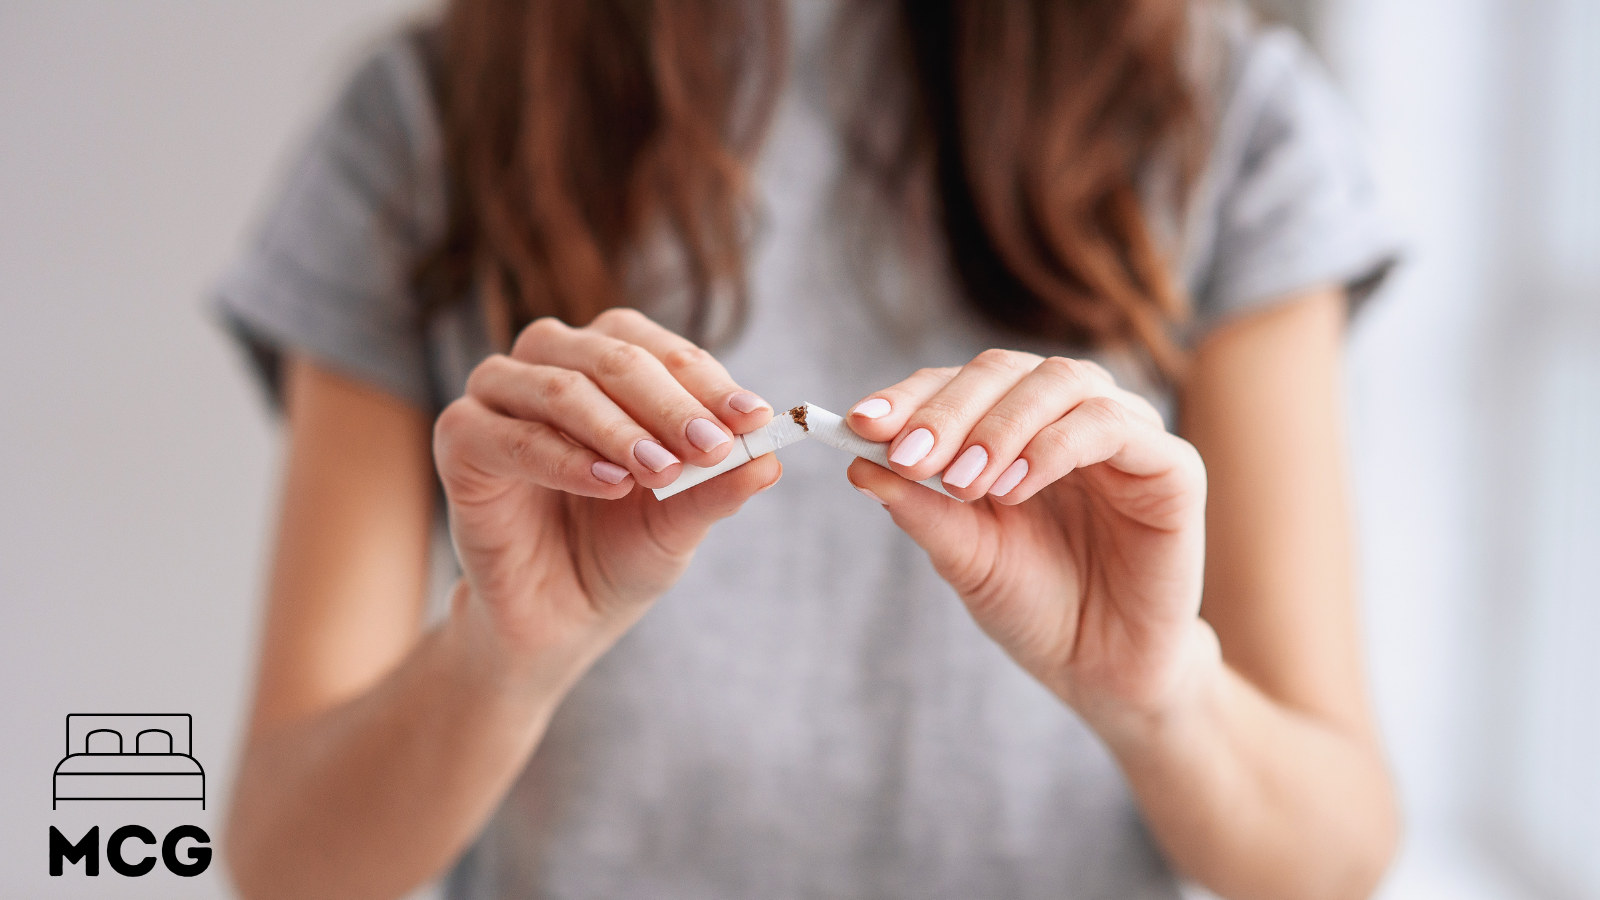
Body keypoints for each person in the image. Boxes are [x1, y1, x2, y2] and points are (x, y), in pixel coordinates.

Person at [213, 0, 1401, 897]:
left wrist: (1157, 696)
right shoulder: (431, 115)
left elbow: (1332, 848)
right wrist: (499, 658)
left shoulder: (1219, 108)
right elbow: (281, 856)